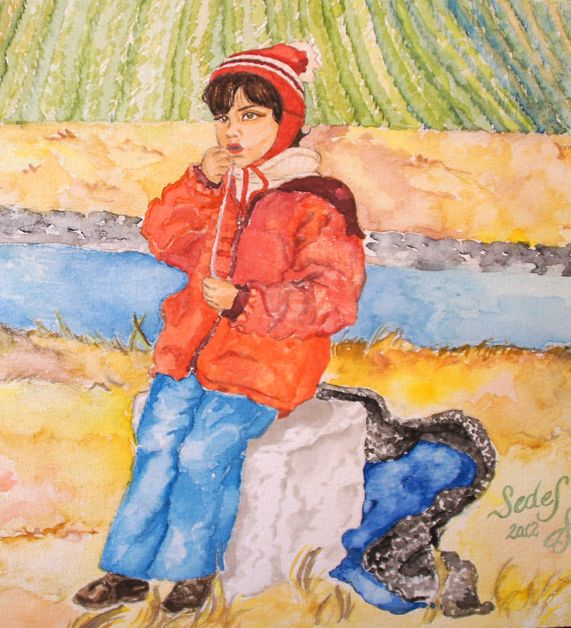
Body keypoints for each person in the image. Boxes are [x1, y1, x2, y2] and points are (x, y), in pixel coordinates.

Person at [73, 43, 367, 613]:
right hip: (188, 352)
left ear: (287, 123)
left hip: (266, 365)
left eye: (250, 116)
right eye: (223, 116)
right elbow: (166, 238)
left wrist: (247, 302)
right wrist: (199, 186)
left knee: (204, 452)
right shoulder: (224, 187)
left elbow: (333, 299)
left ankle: (191, 570)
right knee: (157, 443)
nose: (231, 130)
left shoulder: (318, 200)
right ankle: (127, 570)